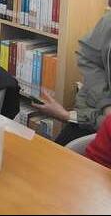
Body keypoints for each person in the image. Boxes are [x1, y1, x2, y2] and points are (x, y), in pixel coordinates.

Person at [32, 11, 111, 145]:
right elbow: (88, 57)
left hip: (92, 124)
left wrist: (67, 116)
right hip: (88, 116)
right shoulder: (108, 21)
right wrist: (105, 103)